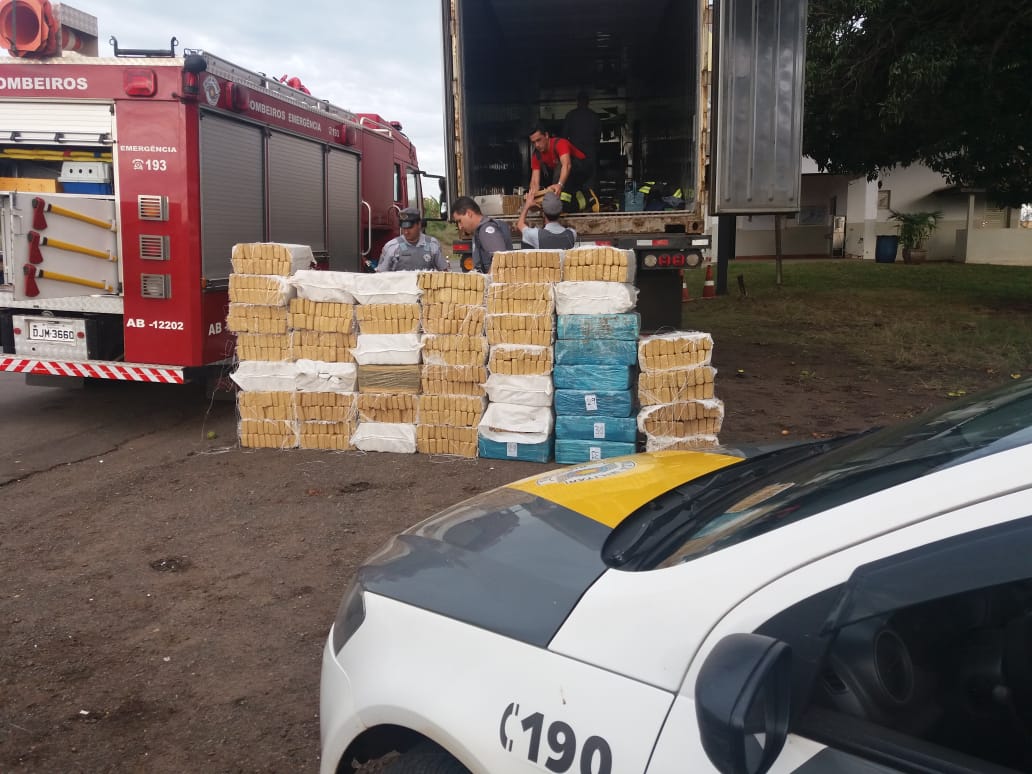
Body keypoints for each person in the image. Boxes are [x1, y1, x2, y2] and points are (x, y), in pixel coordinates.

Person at [525, 124, 596, 213]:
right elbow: (535, 181)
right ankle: (588, 198)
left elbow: (567, 165)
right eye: (533, 142)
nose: (537, 145)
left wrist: (559, 185)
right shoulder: (536, 155)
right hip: (567, 176)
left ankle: (569, 201)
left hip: (583, 168)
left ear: (546, 135)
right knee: (564, 204)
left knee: (559, 192)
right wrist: (533, 197)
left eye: (539, 140)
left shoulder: (560, 143)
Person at [450, 196, 512, 273]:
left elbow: (500, 261)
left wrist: (487, 279)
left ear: (469, 213)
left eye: (460, 221)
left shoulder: (485, 230)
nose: (460, 226)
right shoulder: (479, 230)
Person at [376, 207, 449, 272]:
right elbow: (380, 276)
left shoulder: (432, 245)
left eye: (410, 227)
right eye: (404, 228)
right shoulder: (391, 247)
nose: (406, 232)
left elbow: (444, 273)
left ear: (419, 224)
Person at [562, 91, 601, 190]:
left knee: (575, 177)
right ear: (588, 102)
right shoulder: (594, 116)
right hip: (589, 152)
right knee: (589, 179)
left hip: (576, 152)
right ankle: (589, 195)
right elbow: (598, 136)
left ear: (577, 102)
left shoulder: (570, 115)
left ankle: (577, 194)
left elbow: (564, 136)